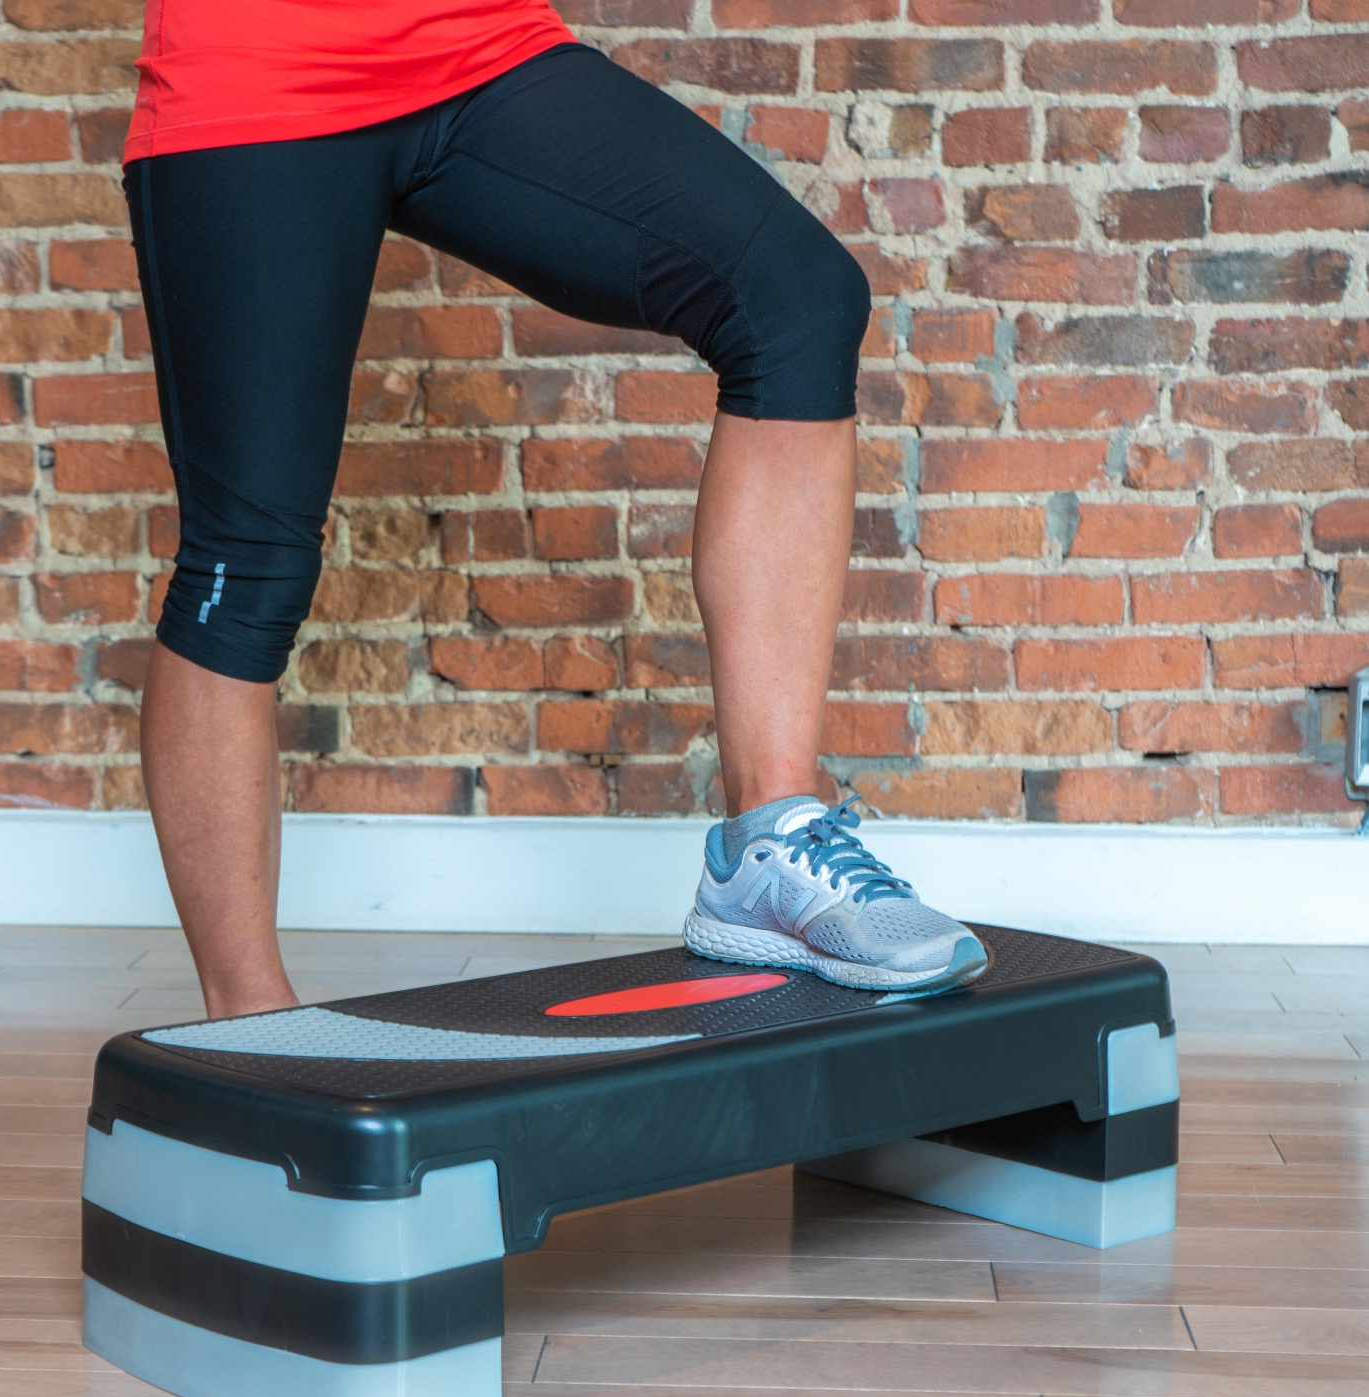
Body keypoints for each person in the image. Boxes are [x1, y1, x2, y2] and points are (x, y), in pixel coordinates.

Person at [123, 0, 987, 1019]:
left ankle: (768, 843)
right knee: (249, 556)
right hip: (257, 73)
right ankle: (250, 1021)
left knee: (793, 300)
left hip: (479, 46)